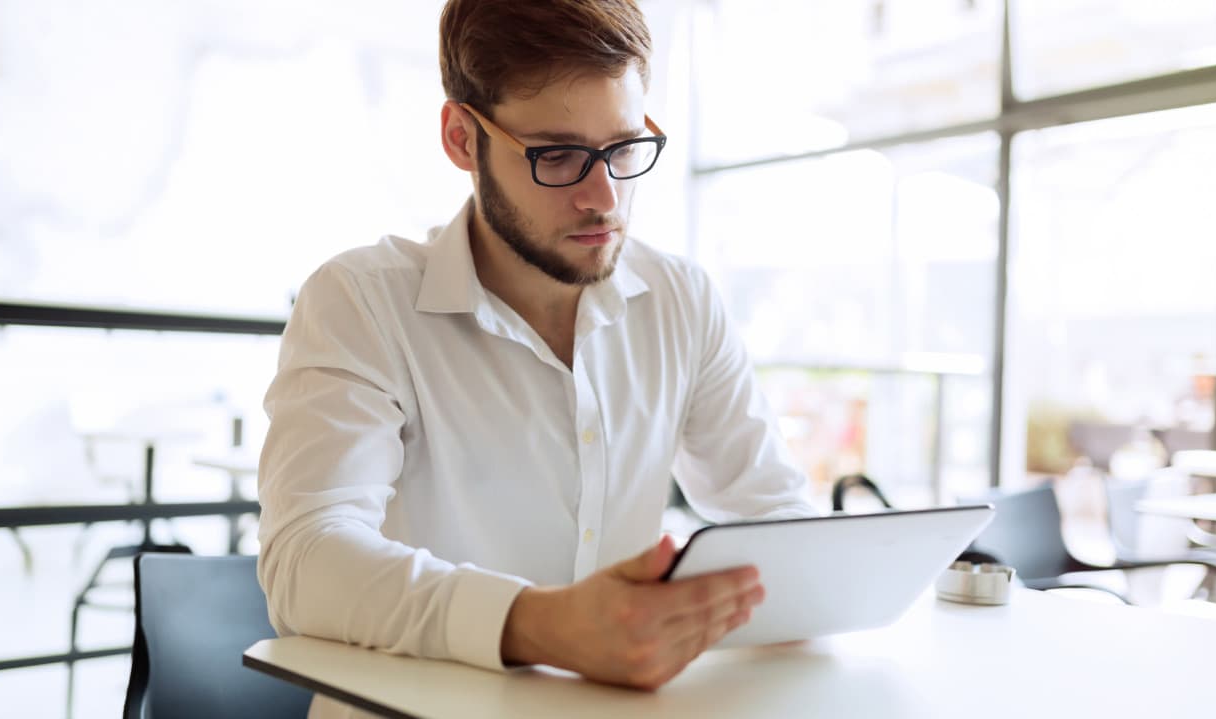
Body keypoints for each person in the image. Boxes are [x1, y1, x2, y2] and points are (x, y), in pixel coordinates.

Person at [257, 1, 816, 714]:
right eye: (557, 155)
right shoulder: (361, 304)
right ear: (462, 137)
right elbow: (305, 563)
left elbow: (774, 513)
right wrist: (541, 624)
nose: (603, 196)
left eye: (622, 148)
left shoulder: (681, 300)